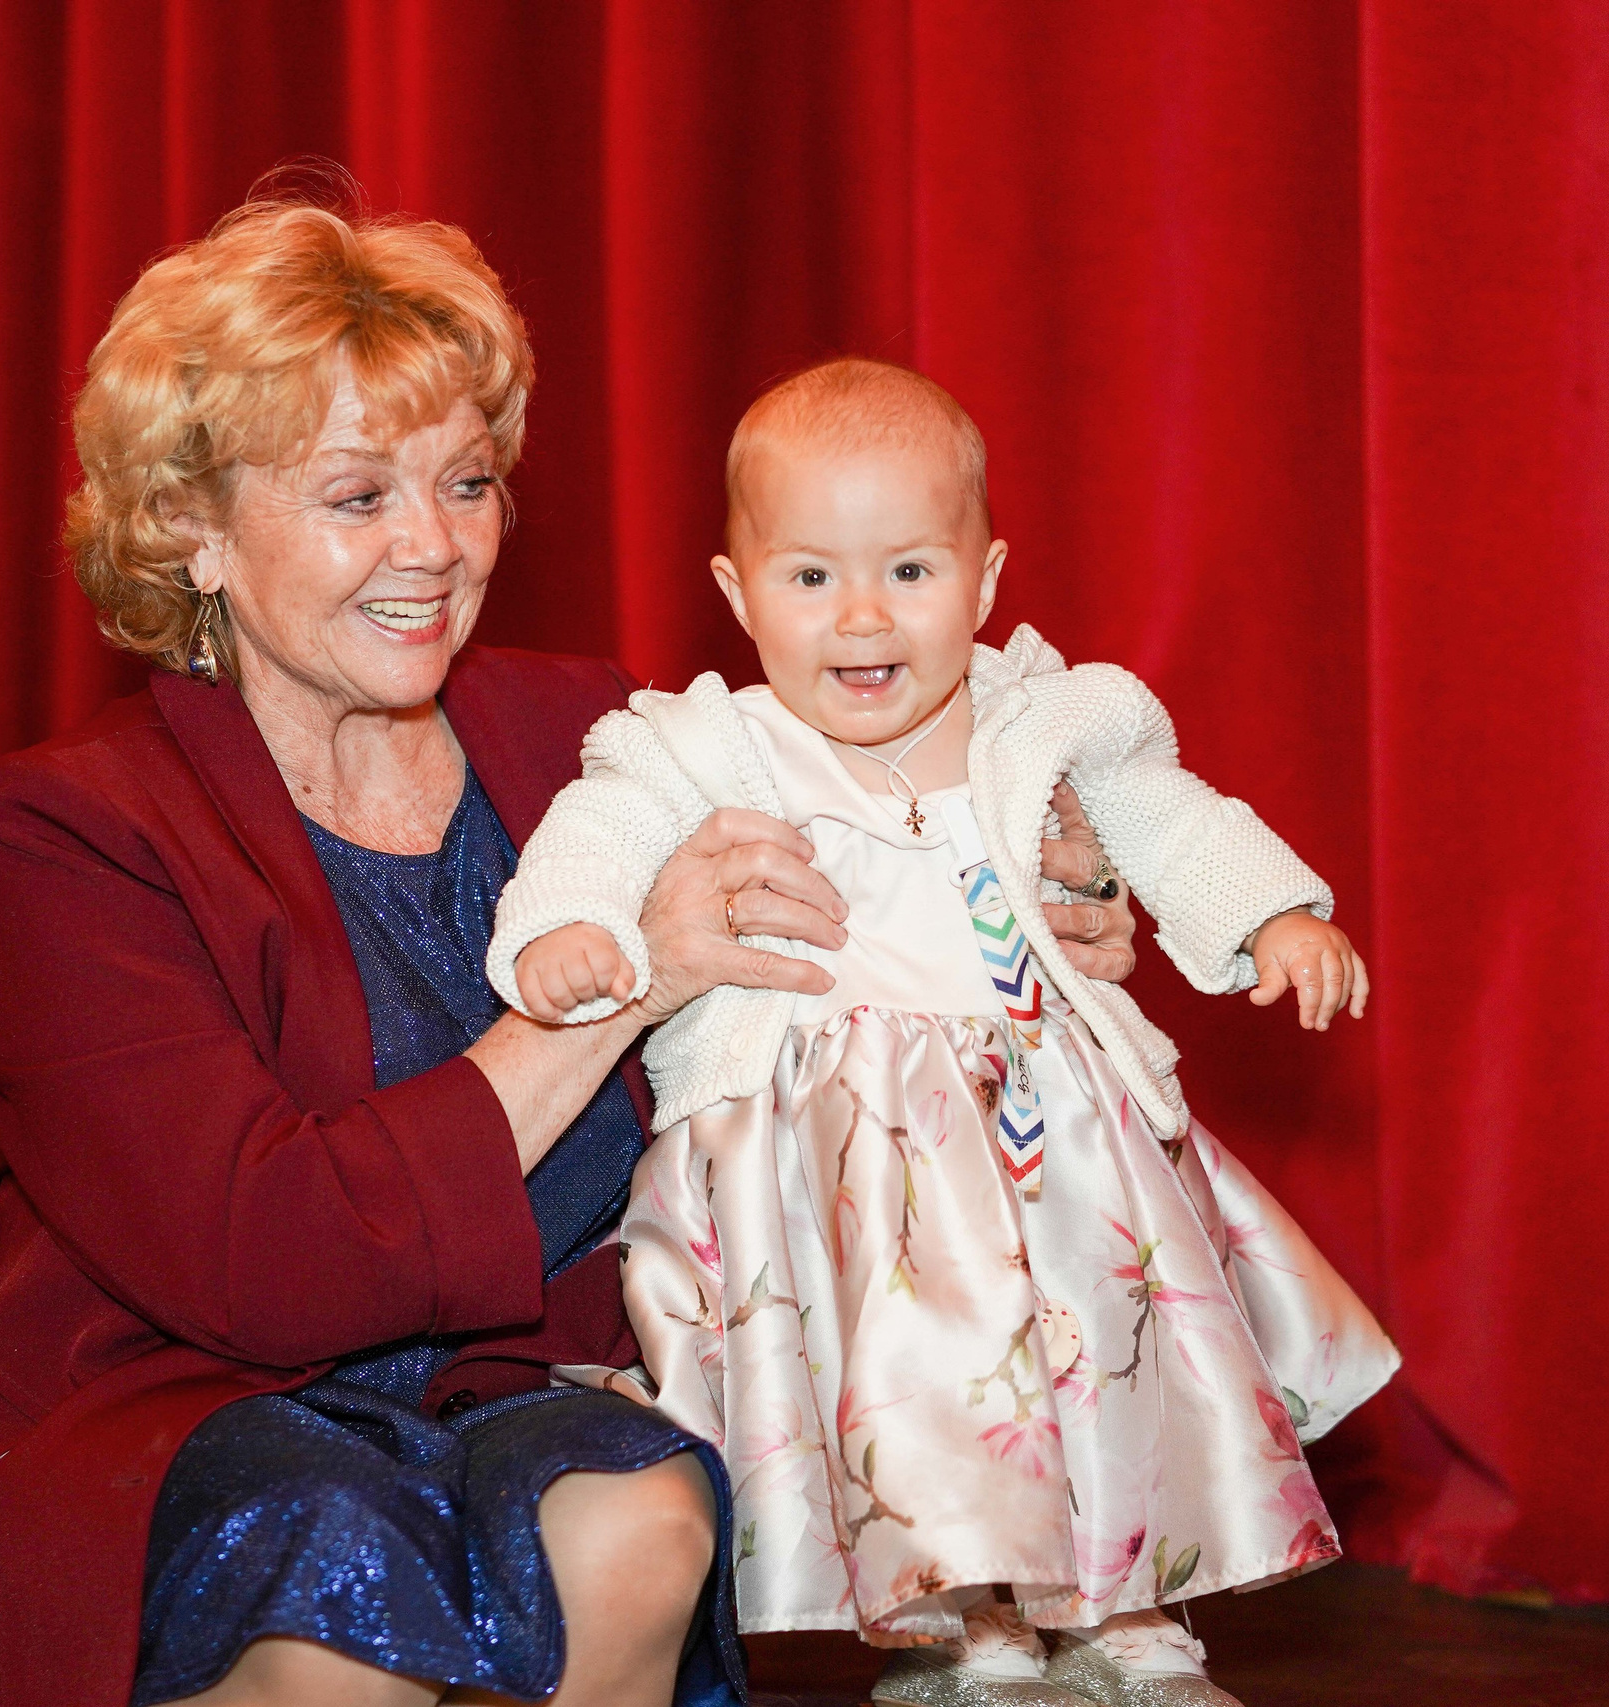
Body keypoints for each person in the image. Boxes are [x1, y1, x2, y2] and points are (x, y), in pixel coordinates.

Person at [0, 209, 1142, 1707]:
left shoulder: (596, 742)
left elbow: (875, 898)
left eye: (467, 482)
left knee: (642, 1517)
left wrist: (1038, 931)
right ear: (194, 531)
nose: (436, 544)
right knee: (339, 1572)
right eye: (359, 496)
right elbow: (261, 1263)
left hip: (520, 1382)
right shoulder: (77, 829)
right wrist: (636, 975)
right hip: (183, 1412)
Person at [489, 360, 1401, 1707]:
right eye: (810, 579)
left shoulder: (1043, 722)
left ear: (983, 582)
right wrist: (567, 934)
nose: (863, 616)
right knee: (926, 1388)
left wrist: (1274, 917)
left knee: (1105, 1351)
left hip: (1055, 1135)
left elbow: (1171, 817)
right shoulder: (705, 748)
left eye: (910, 572)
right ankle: (977, 1634)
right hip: (843, 1160)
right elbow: (598, 834)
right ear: (738, 595)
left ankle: (1137, 1612)